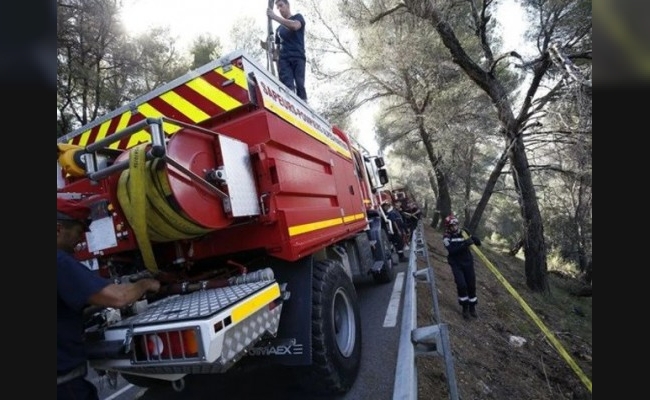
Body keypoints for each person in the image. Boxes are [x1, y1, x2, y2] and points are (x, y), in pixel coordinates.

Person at [57, 197, 161, 399]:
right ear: (58, 229)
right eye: (78, 233)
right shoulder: (60, 261)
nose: (81, 240)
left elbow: (66, 307)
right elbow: (119, 297)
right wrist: (146, 284)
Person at [442, 214, 481, 319]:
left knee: (471, 285)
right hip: (456, 264)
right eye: (452, 226)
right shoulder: (446, 237)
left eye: (456, 225)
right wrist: (465, 244)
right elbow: (452, 251)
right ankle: (465, 308)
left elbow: (478, 243)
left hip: (468, 263)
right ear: (448, 227)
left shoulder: (463, 233)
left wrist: (471, 236)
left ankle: (472, 307)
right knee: (461, 285)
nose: (454, 227)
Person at [267, 0, 307, 101]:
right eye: (278, 8)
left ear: (288, 5)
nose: (280, 9)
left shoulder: (298, 18)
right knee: (288, 88)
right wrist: (272, 52)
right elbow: (277, 51)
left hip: (298, 57)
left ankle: (304, 105)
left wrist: (274, 17)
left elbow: (294, 26)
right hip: (284, 60)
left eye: (281, 6)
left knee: (300, 85)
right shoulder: (278, 30)